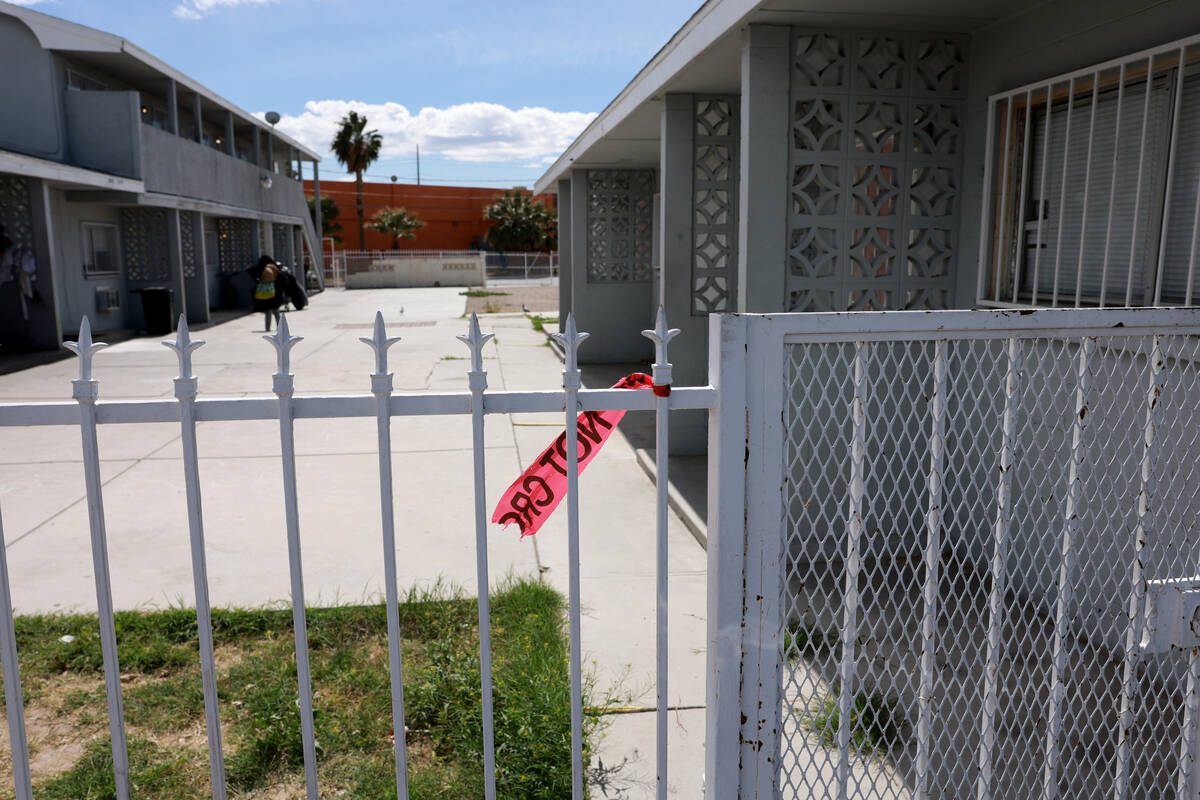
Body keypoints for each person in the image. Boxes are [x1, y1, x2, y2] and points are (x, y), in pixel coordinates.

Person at [249, 255, 284, 331]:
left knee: (268, 311)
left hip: (267, 293)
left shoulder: (263, 269)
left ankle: (267, 328)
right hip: (276, 294)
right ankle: (280, 327)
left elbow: (253, 273)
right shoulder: (276, 269)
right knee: (276, 311)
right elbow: (283, 281)